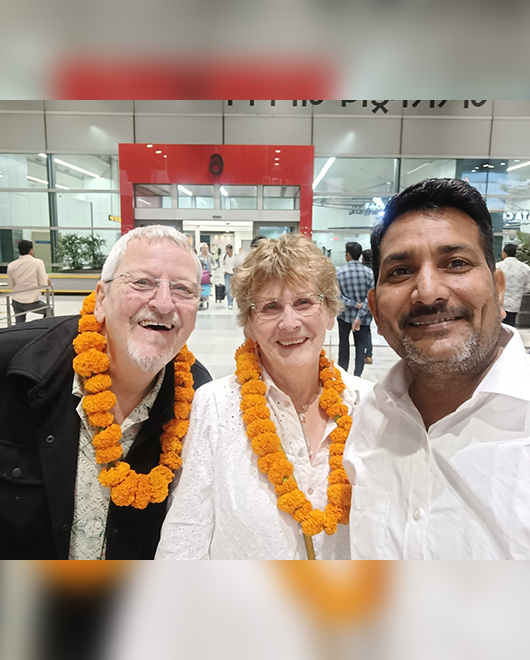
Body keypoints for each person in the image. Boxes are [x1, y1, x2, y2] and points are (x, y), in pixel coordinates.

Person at [343, 177, 530, 560]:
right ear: (375, 309)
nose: (428, 292)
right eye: (400, 271)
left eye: (456, 263)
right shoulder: (368, 418)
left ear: (498, 289)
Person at [156, 234, 373, 560]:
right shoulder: (215, 406)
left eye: (304, 302)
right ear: (249, 325)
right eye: (271, 307)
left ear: (330, 313)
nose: (290, 322)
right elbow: (185, 536)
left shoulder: (369, 405)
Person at [0, 225, 212, 559]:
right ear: (101, 298)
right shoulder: (14, 367)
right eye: (142, 283)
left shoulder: (198, 396)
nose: (163, 303)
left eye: (183, 289)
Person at [336, 242, 374, 376]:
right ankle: (357, 375)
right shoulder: (369, 273)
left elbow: (337, 296)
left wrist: (353, 304)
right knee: (360, 347)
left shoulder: (339, 273)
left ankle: (343, 375)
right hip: (363, 318)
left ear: (348, 255)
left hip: (344, 316)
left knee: (343, 346)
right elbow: (371, 296)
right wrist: (360, 313)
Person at [7, 239, 50, 324]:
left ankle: (19, 332)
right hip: (31, 300)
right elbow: (44, 284)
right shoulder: (38, 263)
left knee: (19, 324)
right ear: (31, 250)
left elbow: (10, 285)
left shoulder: (11, 265)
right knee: (49, 310)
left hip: (16, 300)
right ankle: (42, 328)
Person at [496, 243, 530, 327]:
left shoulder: (497, 266)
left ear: (504, 253)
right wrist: (518, 291)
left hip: (499, 301)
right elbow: (528, 286)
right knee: (511, 324)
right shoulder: (525, 268)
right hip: (515, 301)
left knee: (498, 324)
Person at [361, 249, 374, 364]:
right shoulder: (374, 271)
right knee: (366, 330)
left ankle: (360, 354)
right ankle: (368, 355)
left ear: (362, 258)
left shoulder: (361, 269)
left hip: (353, 308)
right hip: (369, 304)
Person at [222, 243, 235, 309]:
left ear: (231, 249)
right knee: (227, 289)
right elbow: (222, 264)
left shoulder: (235, 256)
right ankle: (229, 303)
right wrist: (223, 270)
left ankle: (231, 301)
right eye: (226, 249)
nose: (227, 251)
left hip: (234, 275)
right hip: (227, 275)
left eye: (228, 249)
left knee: (232, 290)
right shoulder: (224, 256)